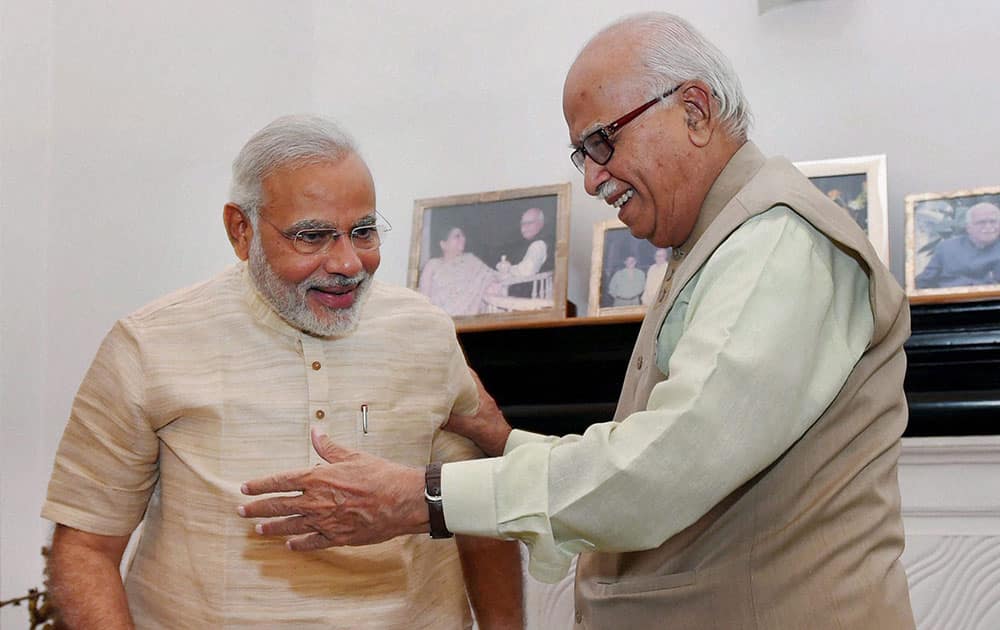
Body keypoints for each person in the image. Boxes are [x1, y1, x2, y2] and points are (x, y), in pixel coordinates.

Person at [238, 13, 916, 629]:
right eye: (580, 155)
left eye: (601, 143)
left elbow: (664, 470)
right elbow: (655, 448)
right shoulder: (722, 241)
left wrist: (425, 497)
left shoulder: (777, 245)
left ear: (695, 111)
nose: (592, 180)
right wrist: (504, 440)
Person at [41, 114, 522, 629]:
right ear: (240, 230)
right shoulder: (147, 346)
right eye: (312, 236)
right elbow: (86, 548)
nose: (347, 263)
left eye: (362, 231)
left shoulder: (424, 330)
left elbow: (476, 507)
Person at [915, 201, 1000, 288]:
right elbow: (923, 281)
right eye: (981, 222)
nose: (988, 226)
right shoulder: (947, 248)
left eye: (993, 221)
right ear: (968, 228)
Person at [419, 225, 500, 316]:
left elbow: (492, 276)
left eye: (463, 236)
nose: (463, 239)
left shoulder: (472, 260)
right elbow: (423, 297)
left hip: (467, 321)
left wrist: (503, 270)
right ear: (443, 244)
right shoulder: (433, 264)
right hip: (439, 318)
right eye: (457, 236)